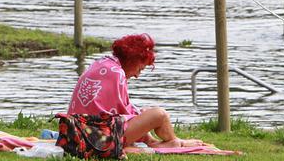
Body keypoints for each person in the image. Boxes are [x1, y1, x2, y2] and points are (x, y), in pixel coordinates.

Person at [67, 33, 204, 148]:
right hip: (97, 138)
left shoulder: (103, 63)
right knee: (160, 115)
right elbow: (121, 113)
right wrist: (144, 119)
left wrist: (141, 115)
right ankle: (174, 143)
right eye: (140, 69)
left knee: (144, 113)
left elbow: (116, 110)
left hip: (77, 131)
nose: (137, 75)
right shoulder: (116, 73)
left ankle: (161, 142)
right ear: (133, 60)